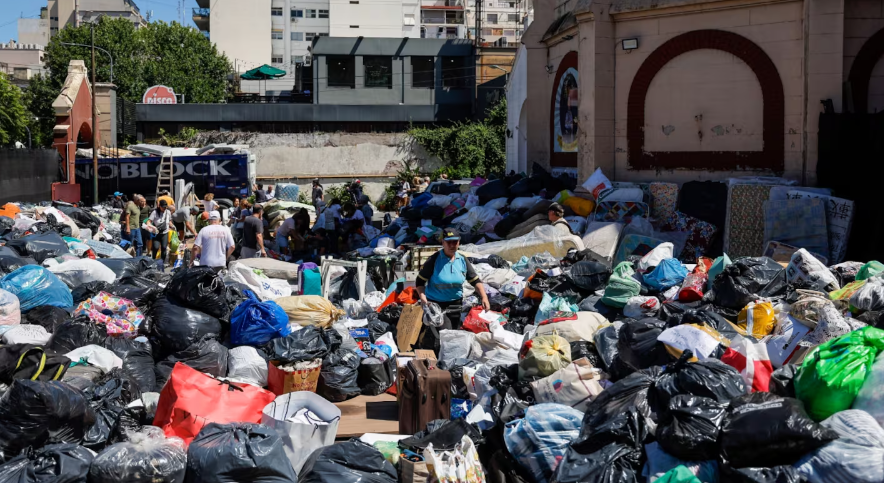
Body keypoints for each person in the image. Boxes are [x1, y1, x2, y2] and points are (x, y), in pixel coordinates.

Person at [416, 228, 491, 328]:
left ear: (459, 242)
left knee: (454, 332)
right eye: (448, 242)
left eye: (455, 242)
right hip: (436, 305)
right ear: (443, 242)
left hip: (456, 304)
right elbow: (420, 281)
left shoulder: (462, 260)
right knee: (445, 332)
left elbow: (475, 280)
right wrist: (423, 297)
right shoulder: (434, 259)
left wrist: (484, 297)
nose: (452, 245)